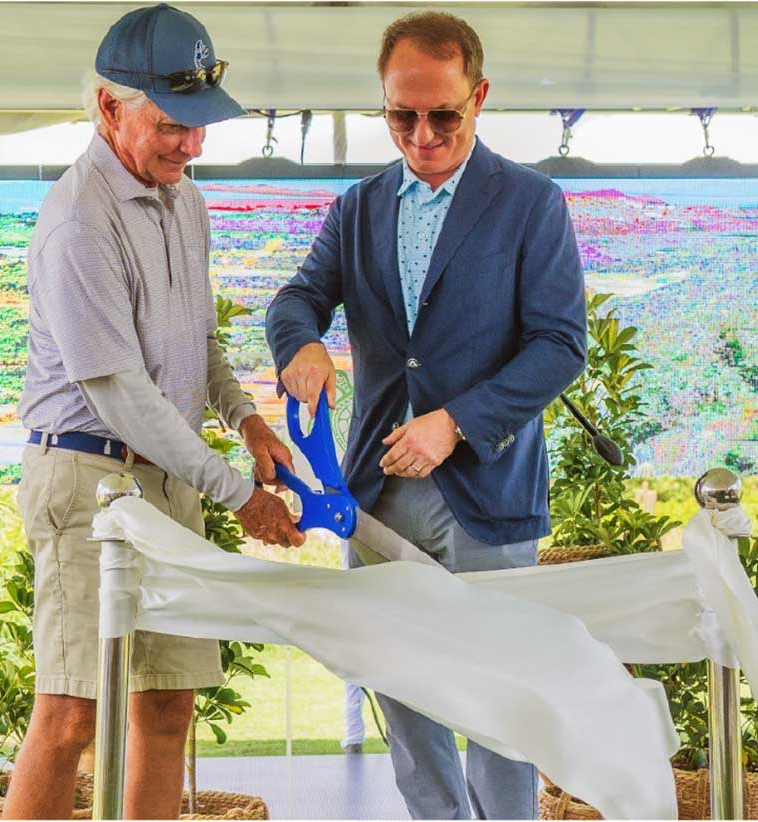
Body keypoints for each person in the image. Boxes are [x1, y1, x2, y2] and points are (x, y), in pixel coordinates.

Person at [266, 11, 586, 819]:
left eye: (443, 114)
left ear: (479, 96)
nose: (421, 134)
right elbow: (299, 296)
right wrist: (300, 344)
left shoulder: (531, 203)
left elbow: (559, 345)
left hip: (492, 493)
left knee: (500, 704)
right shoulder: (359, 207)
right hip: (376, 497)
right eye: (401, 115)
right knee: (402, 698)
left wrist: (456, 421)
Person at [3, 5, 303, 819]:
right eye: (174, 126)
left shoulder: (183, 199)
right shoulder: (77, 223)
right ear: (109, 105)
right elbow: (120, 393)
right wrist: (240, 495)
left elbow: (197, 342)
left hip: (166, 478)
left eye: (202, 126)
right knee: (71, 714)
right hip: (89, 480)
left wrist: (246, 421)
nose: (192, 145)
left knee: (168, 706)